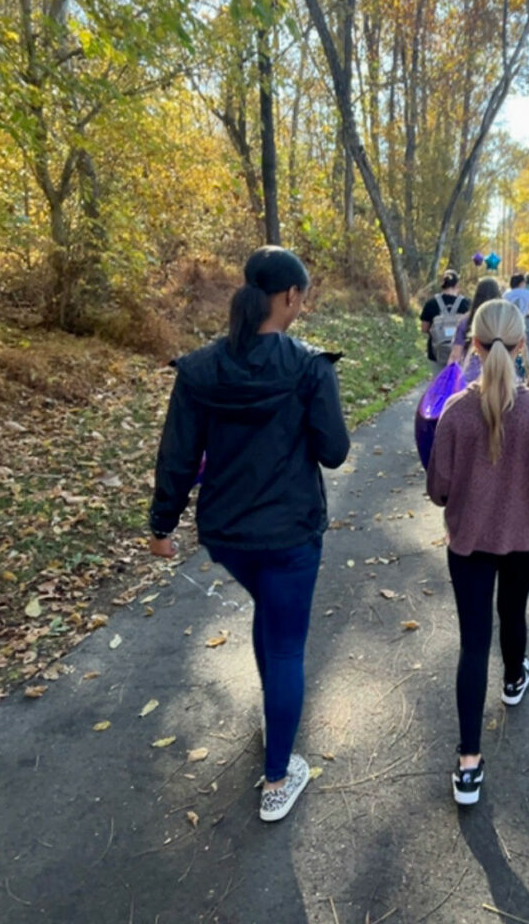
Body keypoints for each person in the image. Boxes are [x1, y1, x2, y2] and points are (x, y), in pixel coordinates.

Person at [148, 246, 350, 823]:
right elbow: (334, 452)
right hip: (289, 534)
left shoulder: (202, 368)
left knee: (270, 613)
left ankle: (275, 719)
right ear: (288, 297)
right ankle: (278, 779)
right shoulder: (309, 367)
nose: (302, 306)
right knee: (286, 642)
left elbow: (178, 454)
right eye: (302, 297)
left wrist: (163, 523)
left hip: (228, 535)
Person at [426, 299, 529, 806]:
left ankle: (468, 764)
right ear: (521, 347)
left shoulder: (455, 412)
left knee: (474, 643)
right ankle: (514, 678)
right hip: (523, 542)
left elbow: (439, 489)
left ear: (473, 344)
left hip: (468, 543)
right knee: (512, 612)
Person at [420, 270, 470, 370]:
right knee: (458, 384)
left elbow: (424, 328)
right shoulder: (466, 304)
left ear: (443, 284)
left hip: (436, 353)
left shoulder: (431, 303)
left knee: (439, 383)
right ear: (457, 284)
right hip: (460, 353)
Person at [449, 276, 501, 370]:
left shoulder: (467, 320)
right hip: (500, 370)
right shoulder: (503, 319)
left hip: (472, 372)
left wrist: (449, 379)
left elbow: (455, 355)